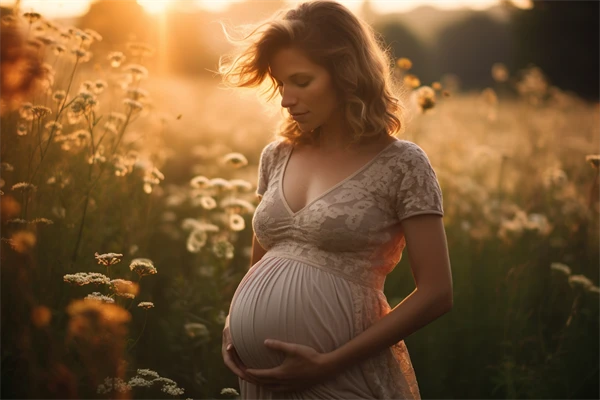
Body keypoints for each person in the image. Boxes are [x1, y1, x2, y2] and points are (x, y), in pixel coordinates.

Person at [218, 1, 453, 398]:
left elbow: (437, 293)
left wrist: (329, 363)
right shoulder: (277, 155)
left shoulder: (402, 163)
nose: (286, 99)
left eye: (302, 81)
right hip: (261, 382)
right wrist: (232, 327)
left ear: (347, 74)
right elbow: (259, 265)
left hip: (341, 377)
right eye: (280, 83)